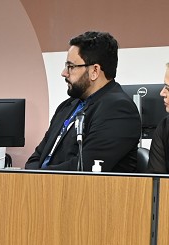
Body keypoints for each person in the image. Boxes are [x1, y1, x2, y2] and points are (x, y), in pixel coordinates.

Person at [25, 31, 142, 172]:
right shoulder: (68, 106)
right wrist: (30, 177)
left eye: (71, 66)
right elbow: (37, 157)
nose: (64, 73)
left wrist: (37, 178)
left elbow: (84, 167)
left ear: (94, 71)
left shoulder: (119, 110)